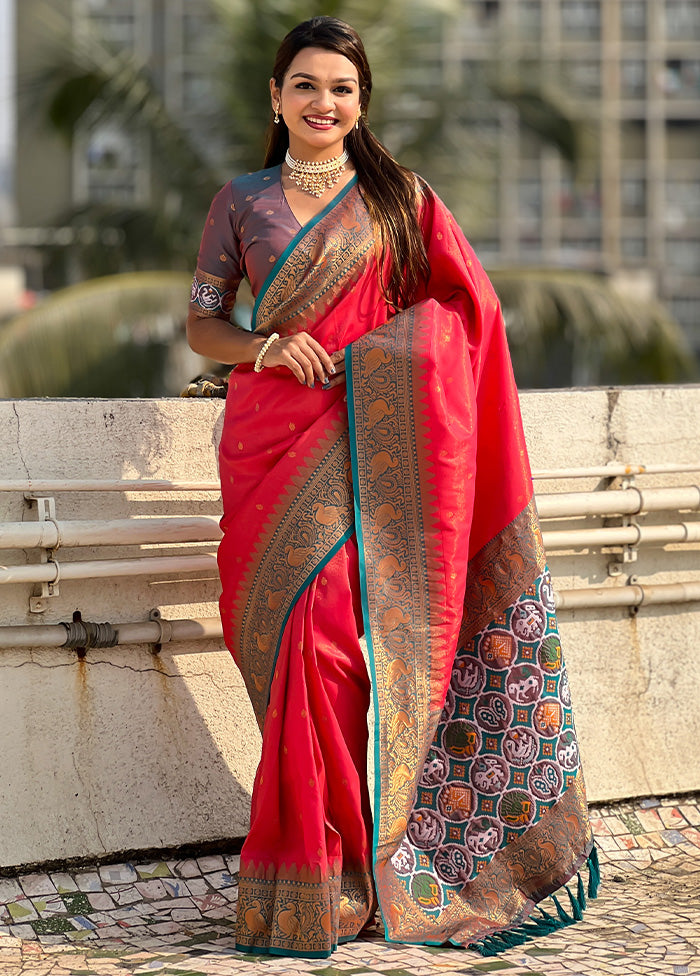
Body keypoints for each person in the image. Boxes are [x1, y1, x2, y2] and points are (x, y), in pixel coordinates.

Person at [186, 16, 598, 960]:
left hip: (365, 440)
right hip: (264, 438)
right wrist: (262, 344)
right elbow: (202, 324)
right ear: (276, 98)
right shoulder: (239, 202)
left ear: (361, 102)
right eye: (303, 85)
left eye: (339, 87)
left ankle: (357, 873)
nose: (321, 102)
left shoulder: (396, 200)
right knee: (287, 643)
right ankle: (302, 880)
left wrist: (379, 356)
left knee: (332, 642)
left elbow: (463, 312)